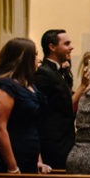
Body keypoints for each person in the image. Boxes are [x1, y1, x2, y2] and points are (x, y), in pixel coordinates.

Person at [0, 38, 46, 174]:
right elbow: (0, 128)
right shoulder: (5, 85)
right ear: (24, 59)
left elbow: (32, 125)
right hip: (14, 154)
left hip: (30, 154)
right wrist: (12, 166)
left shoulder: (30, 85)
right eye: (34, 55)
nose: (38, 60)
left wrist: (38, 160)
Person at [35, 28, 76, 169]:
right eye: (66, 44)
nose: (71, 47)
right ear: (52, 47)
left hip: (64, 140)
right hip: (53, 143)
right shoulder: (43, 74)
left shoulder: (60, 72)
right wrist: (83, 86)